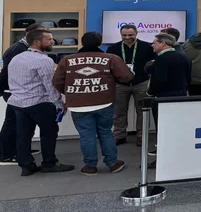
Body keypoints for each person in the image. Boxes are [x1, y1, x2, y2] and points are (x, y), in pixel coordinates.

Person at [53, 32, 132, 175]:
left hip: (78, 104)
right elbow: (126, 77)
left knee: (86, 135)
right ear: (100, 42)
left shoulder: (67, 60)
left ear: (82, 43)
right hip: (104, 102)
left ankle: (90, 166)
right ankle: (113, 164)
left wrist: (73, 93)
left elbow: (57, 82)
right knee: (106, 133)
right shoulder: (111, 58)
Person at [7, 29, 74, 176]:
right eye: (49, 39)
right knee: (49, 133)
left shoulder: (17, 58)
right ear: (37, 42)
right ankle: (49, 163)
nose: (52, 41)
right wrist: (59, 103)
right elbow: (50, 85)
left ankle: (26, 166)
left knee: (23, 135)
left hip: (18, 103)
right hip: (39, 102)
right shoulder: (44, 60)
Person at [0, 23, 45, 165]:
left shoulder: (21, 47)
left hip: (16, 91)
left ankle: (20, 150)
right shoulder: (18, 50)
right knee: (13, 124)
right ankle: (6, 154)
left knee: (19, 123)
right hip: (14, 91)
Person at [146, 33, 192, 169]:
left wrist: (150, 92)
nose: (152, 45)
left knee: (163, 128)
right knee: (176, 127)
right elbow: (188, 78)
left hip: (163, 98)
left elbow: (159, 80)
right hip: (180, 95)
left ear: (163, 43)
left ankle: (163, 158)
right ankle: (178, 155)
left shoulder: (162, 59)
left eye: (155, 42)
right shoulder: (183, 56)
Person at [105, 24, 155, 146]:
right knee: (118, 111)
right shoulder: (113, 49)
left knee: (142, 111)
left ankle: (141, 136)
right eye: (124, 35)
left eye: (130, 35)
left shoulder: (147, 47)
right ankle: (119, 135)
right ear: (121, 34)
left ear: (136, 33)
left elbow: (153, 64)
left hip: (141, 82)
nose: (127, 37)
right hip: (120, 84)